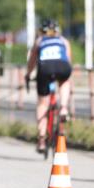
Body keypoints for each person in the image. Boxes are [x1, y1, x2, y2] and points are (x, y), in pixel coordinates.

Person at [25, 19, 73, 153]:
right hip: (62, 66)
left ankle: (41, 140)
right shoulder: (63, 41)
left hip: (45, 69)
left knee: (42, 104)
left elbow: (32, 62)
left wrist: (28, 75)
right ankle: (63, 108)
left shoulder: (40, 41)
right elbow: (68, 60)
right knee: (64, 82)